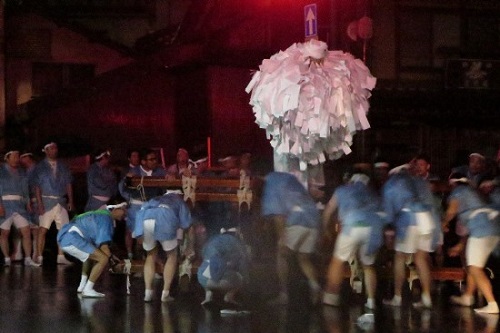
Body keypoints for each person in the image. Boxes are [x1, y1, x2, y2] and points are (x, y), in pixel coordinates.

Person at [321, 171, 386, 310]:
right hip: (372, 229)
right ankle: (371, 301)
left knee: (338, 261)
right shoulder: (373, 194)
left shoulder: (342, 190)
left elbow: (328, 210)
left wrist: (326, 230)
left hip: (352, 226)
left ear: (351, 181)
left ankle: (331, 297)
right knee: (368, 265)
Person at [382, 165, 441, 308]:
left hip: (408, 220)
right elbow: (432, 204)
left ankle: (397, 297)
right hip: (427, 220)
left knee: (400, 257)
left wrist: (389, 227)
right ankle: (426, 297)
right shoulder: (420, 181)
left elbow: (389, 211)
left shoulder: (392, 183)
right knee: (421, 259)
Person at [260, 171, 321, 304]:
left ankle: (284, 295)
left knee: (282, 255)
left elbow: (278, 215)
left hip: (297, 220)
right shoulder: (290, 179)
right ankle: (315, 286)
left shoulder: (271, 183)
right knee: (303, 258)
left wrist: (282, 238)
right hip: (313, 220)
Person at [443, 172, 500, 314]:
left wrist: (443, 223)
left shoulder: (458, 190)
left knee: (474, 268)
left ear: (453, 183)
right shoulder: (475, 194)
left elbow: (451, 211)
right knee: (474, 265)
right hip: (493, 230)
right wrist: (461, 245)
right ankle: (467, 296)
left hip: (481, 231)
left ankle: (492, 303)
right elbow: (467, 230)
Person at [133, 190, 194, 302]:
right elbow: (186, 223)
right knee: (172, 255)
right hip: (165, 218)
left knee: (150, 255)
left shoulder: (155, 199)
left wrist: (138, 233)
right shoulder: (179, 200)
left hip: (146, 219)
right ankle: (165, 294)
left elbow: (140, 212)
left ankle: (147, 293)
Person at [57, 203, 127, 297]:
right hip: (72, 238)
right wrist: (113, 262)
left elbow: (101, 247)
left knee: (90, 256)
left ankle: (82, 286)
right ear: (115, 209)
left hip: (66, 237)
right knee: (103, 259)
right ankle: (88, 289)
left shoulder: (101, 214)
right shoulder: (106, 219)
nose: (125, 215)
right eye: (124, 210)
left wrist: (111, 256)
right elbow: (104, 248)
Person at [119, 148, 167, 259]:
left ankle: (153, 263)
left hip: (153, 207)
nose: (155, 161)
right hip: (137, 207)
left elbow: (168, 181)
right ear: (143, 161)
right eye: (151, 159)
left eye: (156, 159)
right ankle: (138, 263)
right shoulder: (134, 172)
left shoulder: (160, 171)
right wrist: (129, 194)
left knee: (153, 236)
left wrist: (169, 177)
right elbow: (122, 188)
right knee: (138, 237)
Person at [32, 142, 74, 265]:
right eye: (51, 148)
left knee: (63, 230)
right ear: (45, 150)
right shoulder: (40, 167)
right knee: (43, 229)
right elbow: (37, 187)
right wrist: (40, 204)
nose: (54, 150)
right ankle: (39, 256)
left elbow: (68, 184)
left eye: (55, 148)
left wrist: (70, 200)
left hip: (60, 200)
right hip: (47, 200)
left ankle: (61, 255)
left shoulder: (63, 166)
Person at [0, 150, 39, 266]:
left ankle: (28, 258)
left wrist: (27, 203)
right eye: (14, 156)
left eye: (18, 156)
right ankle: (6, 258)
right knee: (4, 233)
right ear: (7, 158)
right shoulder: (1, 171)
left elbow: (25, 189)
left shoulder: (22, 172)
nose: (17, 158)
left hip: (19, 205)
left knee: (26, 231)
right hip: (5, 204)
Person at [198, 231, 249, 306]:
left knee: (205, 269)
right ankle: (229, 296)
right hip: (223, 281)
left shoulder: (211, 241)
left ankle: (208, 296)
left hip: (204, 281)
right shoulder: (235, 244)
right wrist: (246, 279)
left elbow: (204, 257)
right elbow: (241, 264)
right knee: (240, 278)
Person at [20, 151, 41, 262]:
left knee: (36, 229)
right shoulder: (24, 172)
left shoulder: (37, 170)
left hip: (36, 201)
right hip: (28, 202)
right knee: (30, 228)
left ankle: (36, 253)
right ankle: (31, 252)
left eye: (22, 157)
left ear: (28, 157)